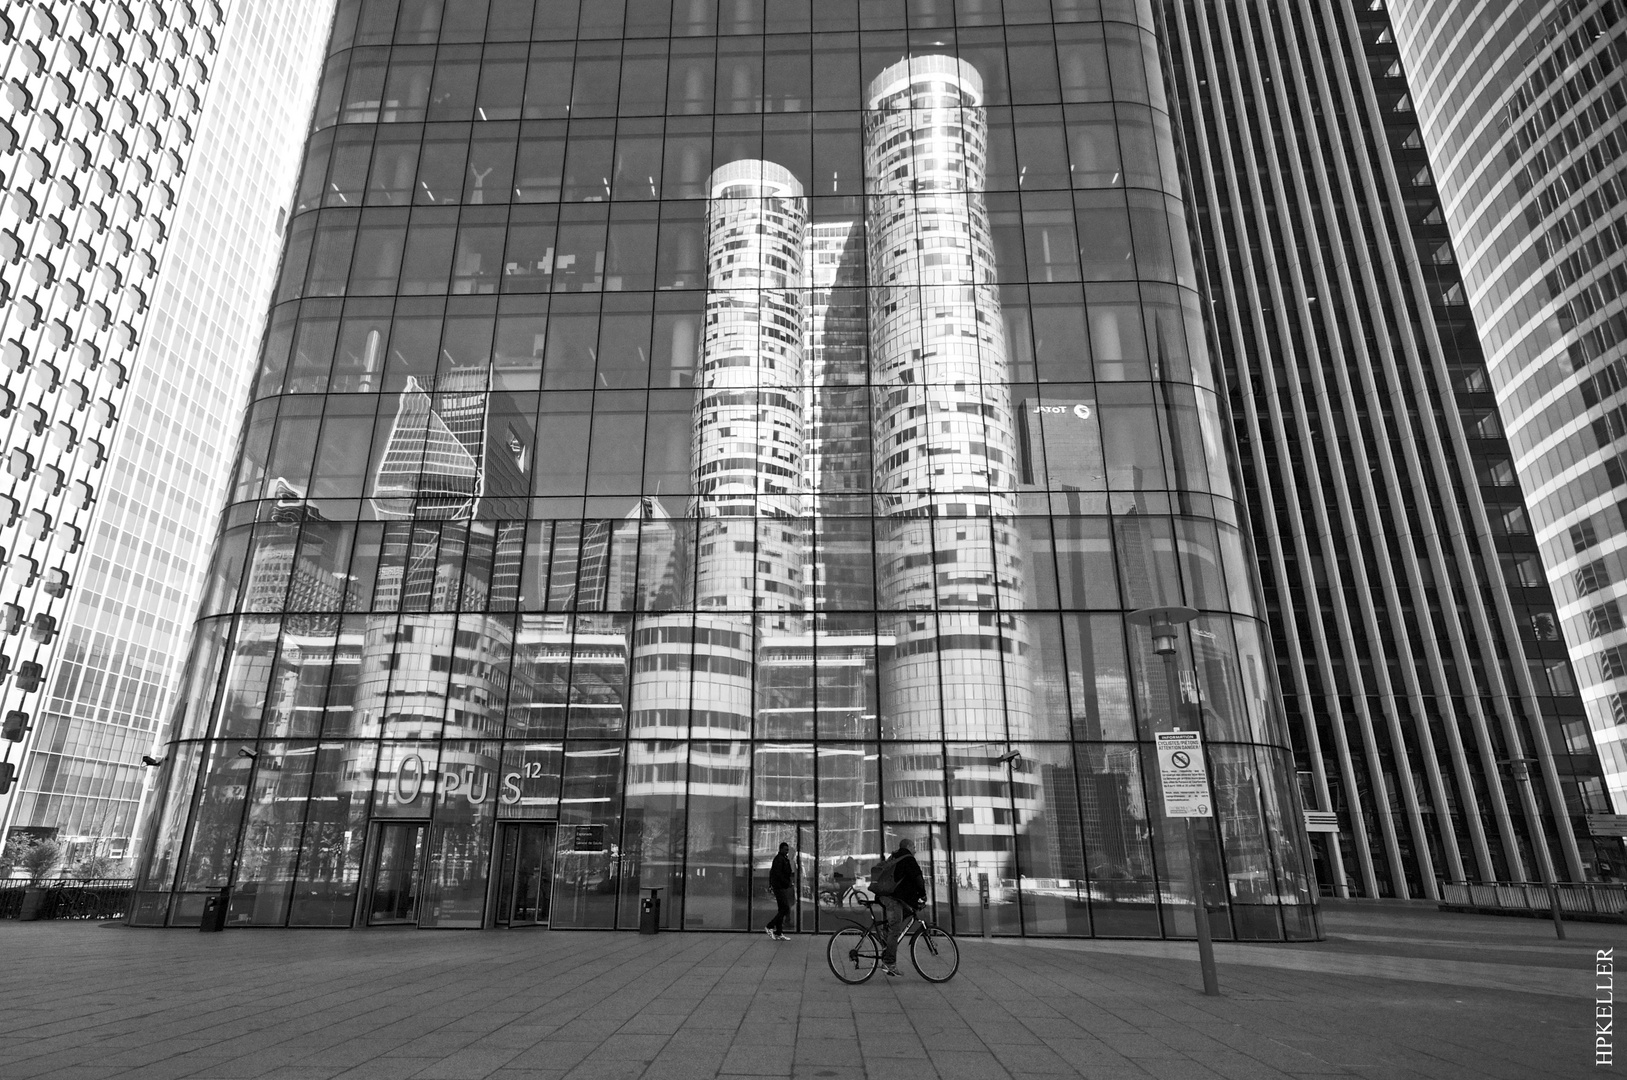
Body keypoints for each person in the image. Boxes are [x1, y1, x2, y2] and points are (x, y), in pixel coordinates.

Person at [874, 837, 927, 976]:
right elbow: (918, 879)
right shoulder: (908, 858)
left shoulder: (894, 857)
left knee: (905, 913)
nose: (915, 850)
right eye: (914, 847)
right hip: (891, 899)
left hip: (884, 896)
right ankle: (889, 963)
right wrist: (923, 894)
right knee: (895, 928)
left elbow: (905, 884)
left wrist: (915, 900)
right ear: (909, 846)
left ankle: (886, 939)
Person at [765, 841, 794, 940]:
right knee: (785, 908)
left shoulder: (783, 859)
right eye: (785, 850)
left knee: (782, 909)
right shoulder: (779, 859)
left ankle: (779, 932)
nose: (787, 851)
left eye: (788, 850)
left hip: (781, 887)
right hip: (779, 887)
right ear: (781, 849)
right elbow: (778, 874)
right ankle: (770, 926)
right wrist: (786, 882)